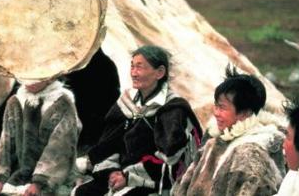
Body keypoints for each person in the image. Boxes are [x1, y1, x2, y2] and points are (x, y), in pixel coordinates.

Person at [73, 45, 202, 196]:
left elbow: (172, 160)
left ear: (160, 72)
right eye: (132, 67)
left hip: (153, 182)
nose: (134, 73)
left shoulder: (173, 110)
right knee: (82, 192)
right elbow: (107, 145)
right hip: (119, 173)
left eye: (140, 67)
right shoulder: (127, 102)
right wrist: (112, 172)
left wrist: (128, 177)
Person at [172, 66, 286, 196]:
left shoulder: (252, 153)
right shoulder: (215, 140)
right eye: (216, 105)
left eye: (222, 107)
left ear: (244, 113)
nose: (216, 113)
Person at [0, 78, 80, 196]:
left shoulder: (62, 102)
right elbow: (6, 141)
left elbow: (61, 147)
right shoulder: (16, 101)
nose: (29, 81)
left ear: (49, 78)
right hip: (20, 173)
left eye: (36, 77)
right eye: (26, 76)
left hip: (54, 175)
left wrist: (40, 182)